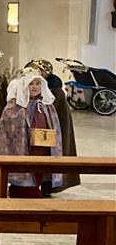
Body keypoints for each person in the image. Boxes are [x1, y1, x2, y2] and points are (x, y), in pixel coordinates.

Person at [0, 69, 63, 198]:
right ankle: (22, 190)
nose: (35, 87)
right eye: (31, 84)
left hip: (42, 144)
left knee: (40, 165)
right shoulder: (15, 105)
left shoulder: (46, 104)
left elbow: (53, 123)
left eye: (38, 84)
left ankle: (35, 187)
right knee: (25, 166)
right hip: (23, 144)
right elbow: (8, 126)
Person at [26, 58, 80, 192]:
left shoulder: (56, 92)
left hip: (50, 132)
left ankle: (48, 186)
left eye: (38, 70)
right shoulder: (30, 87)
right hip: (33, 131)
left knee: (49, 159)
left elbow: (54, 114)